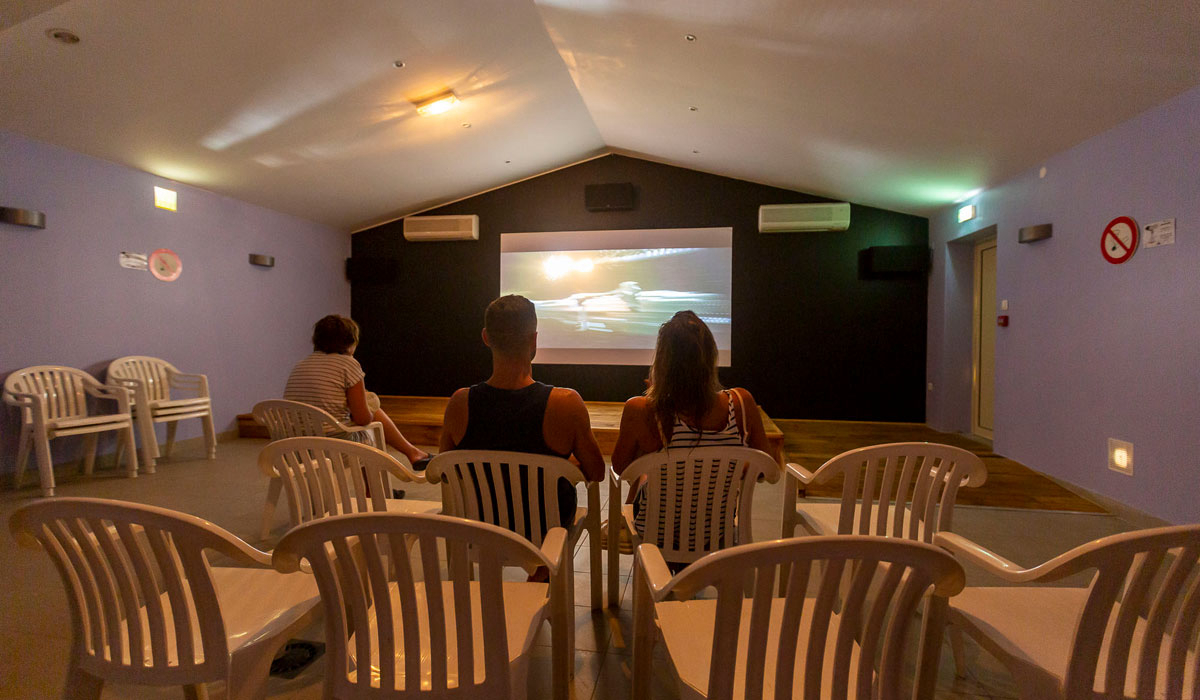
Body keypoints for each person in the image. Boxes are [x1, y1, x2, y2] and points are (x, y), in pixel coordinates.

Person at [440, 294, 605, 526]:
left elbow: (445, 471)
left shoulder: (459, 404)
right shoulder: (566, 403)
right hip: (548, 534)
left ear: (486, 338)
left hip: (483, 529)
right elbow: (596, 472)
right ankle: (544, 565)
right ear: (534, 340)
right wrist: (561, 466)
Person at [611, 309, 770, 541]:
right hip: (716, 533)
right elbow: (766, 468)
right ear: (710, 357)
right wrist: (723, 466)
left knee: (646, 468)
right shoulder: (742, 403)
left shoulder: (640, 410)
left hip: (656, 536)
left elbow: (621, 468)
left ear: (663, 362)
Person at [284, 314, 429, 466]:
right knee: (372, 431)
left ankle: (413, 453)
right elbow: (363, 419)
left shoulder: (300, 365)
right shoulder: (348, 364)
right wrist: (369, 407)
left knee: (366, 403)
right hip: (332, 449)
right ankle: (375, 488)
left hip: (292, 450)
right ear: (351, 342)